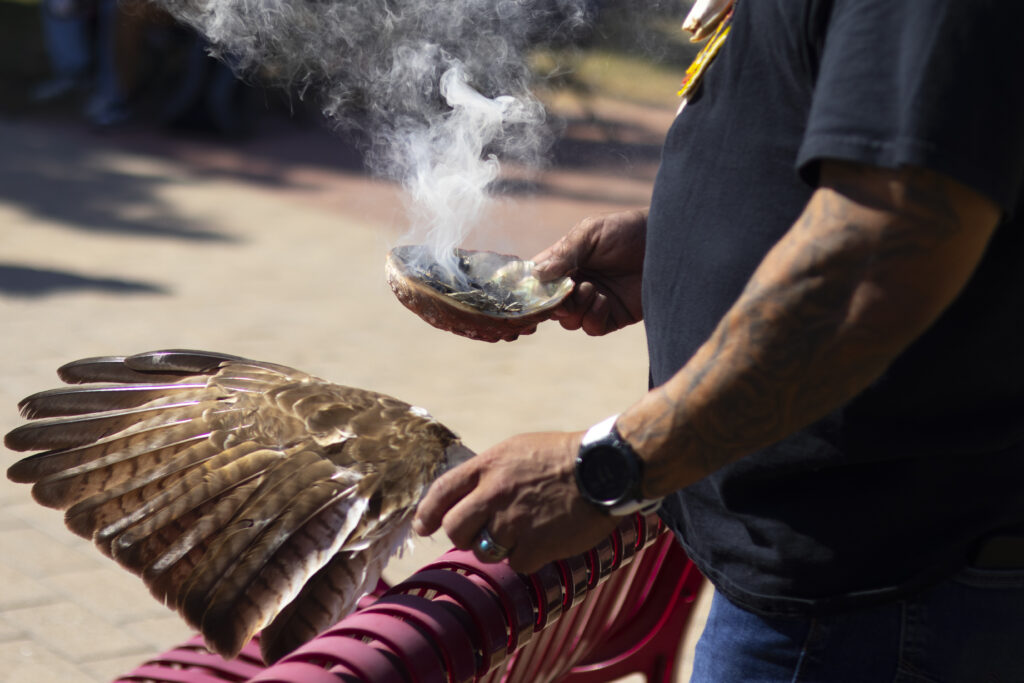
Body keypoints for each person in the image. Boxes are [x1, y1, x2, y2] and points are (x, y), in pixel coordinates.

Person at [413, 1, 1024, 680]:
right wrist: (686, 243)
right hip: (839, 593)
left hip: (875, 599)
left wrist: (604, 471)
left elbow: (888, 251)